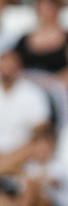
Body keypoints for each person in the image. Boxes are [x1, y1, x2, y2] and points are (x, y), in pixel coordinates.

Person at [15, 0, 68, 124]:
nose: (46, 11)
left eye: (50, 6)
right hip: (30, 97)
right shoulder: (23, 41)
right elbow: (12, 66)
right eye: (42, 6)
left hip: (60, 98)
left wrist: (52, 83)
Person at [0, 48, 51, 177]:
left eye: (11, 63)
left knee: (37, 146)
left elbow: (39, 132)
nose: (7, 67)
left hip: (22, 152)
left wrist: (11, 156)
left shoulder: (33, 94)